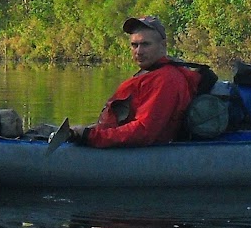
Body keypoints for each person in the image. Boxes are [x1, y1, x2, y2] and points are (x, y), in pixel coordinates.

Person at [68, 16, 202, 148]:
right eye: (134, 45)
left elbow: (144, 131)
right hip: (114, 142)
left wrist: (89, 136)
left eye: (145, 44)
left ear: (163, 46)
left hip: (145, 154)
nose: (138, 51)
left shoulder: (165, 80)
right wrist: (85, 131)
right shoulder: (151, 74)